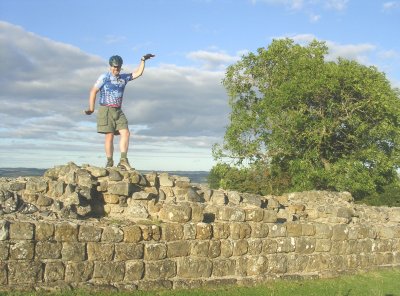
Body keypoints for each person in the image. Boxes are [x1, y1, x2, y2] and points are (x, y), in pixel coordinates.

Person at [84, 53, 155, 170]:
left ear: (120, 67)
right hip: (105, 109)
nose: (115, 69)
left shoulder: (123, 78)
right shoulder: (104, 77)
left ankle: (123, 160)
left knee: (126, 133)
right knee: (109, 136)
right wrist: (91, 108)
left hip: (118, 110)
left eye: (117, 67)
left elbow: (138, 73)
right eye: (113, 67)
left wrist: (143, 60)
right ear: (110, 66)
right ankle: (109, 161)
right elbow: (93, 91)